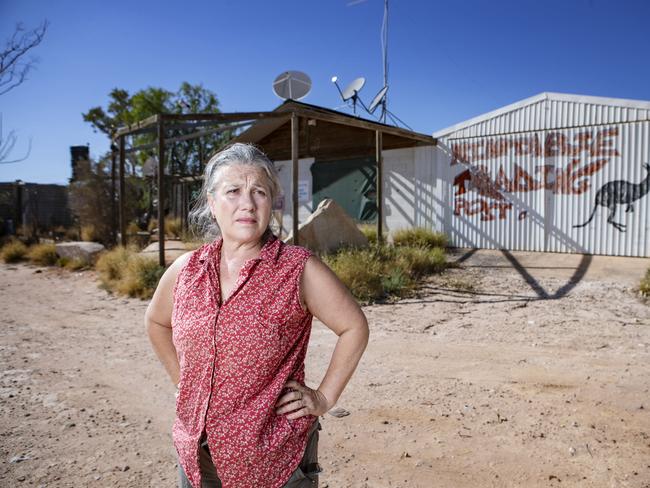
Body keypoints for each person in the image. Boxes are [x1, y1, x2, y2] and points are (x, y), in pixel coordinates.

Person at [145, 143, 369, 488]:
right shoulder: (186, 270)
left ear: (271, 202)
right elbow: (157, 322)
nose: (247, 203)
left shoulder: (297, 269)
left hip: (272, 459)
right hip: (196, 454)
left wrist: (323, 397)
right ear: (211, 201)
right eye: (233, 191)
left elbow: (354, 326)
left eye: (259, 192)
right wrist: (182, 382)